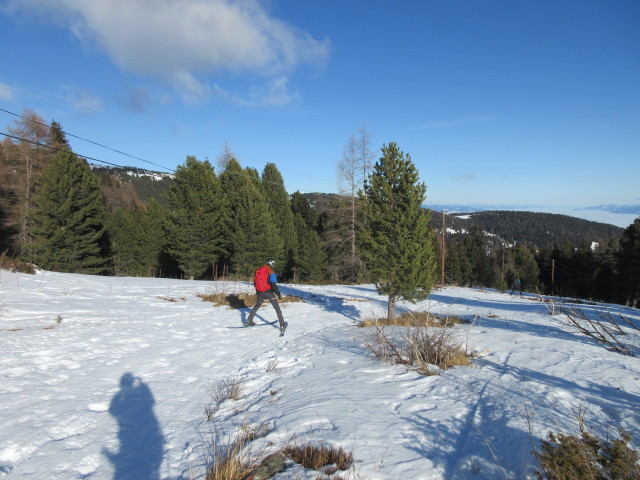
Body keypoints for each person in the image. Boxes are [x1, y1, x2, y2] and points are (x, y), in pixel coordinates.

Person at [246, 257, 287, 335]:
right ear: (272, 264)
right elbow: (273, 285)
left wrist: (258, 292)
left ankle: (249, 321)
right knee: (277, 308)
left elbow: (255, 282)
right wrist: (278, 294)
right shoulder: (271, 272)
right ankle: (282, 325)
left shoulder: (259, 270)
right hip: (269, 293)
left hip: (260, 293)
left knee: (257, 306)